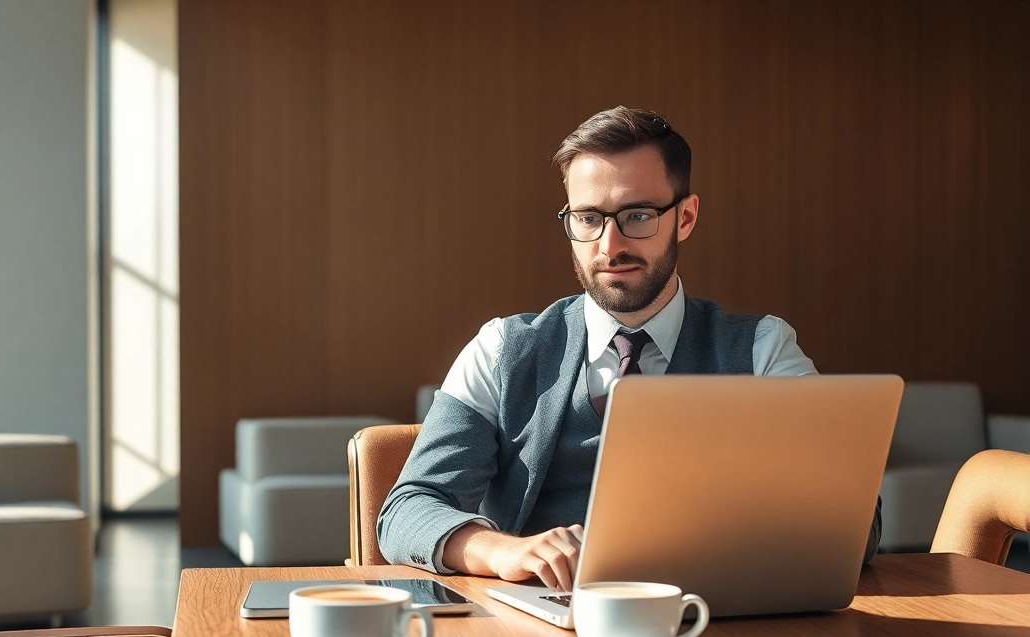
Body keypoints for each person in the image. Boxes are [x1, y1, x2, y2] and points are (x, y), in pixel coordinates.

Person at [376, 106, 882, 590]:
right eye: (588, 218)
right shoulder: (501, 350)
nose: (609, 245)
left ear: (685, 217)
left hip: (719, 617)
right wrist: (502, 551)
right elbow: (407, 510)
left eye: (637, 215)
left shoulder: (764, 350)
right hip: (533, 623)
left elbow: (856, 523)